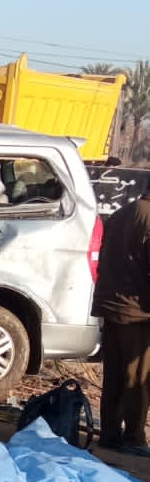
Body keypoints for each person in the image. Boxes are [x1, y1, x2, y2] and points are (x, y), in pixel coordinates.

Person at [93, 189, 150, 454]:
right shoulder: (147, 217)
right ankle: (134, 438)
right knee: (137, 377)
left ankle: (110, 434)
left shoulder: (121, 213)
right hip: (137, 312)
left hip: (111, 305)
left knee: (114, 375)